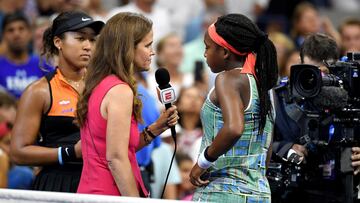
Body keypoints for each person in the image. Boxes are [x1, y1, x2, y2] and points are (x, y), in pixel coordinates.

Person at [76, 12, 179, 197]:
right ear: (127, 48)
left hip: (93, 191)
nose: (152, 52)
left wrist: (156, 128)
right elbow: (115, 158)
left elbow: (117, 148)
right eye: (147, 45)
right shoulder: (120, 91)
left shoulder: (100, 83)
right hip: (110, 194)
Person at [10, 10, 104, 192]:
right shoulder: (39, 91)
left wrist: (151, 132)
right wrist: (69, 152)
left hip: (98, 181)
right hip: (57, 184)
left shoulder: (102, 87)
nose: (87, 46)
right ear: (58, 42)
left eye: (92, 40)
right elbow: (18, 152)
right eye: (80, 38)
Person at [189, 13, 278, 202]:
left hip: (222, 192)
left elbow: (234, 127)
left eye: (208, 47)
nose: (205, 53)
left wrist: (202, 163)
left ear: (225, 52)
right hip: (260, 192)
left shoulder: (228, 79)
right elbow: (267, 148)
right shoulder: (264, 86)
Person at [271, 33, 358, 203]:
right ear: (299, 62)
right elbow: (257, 145)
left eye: (324, 73)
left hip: (339, 191)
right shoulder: (277, 98)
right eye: (311, 71)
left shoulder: (352, 98)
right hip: (290, 193)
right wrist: (285, 148)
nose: (317, 79)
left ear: (337, 65)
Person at [0, 11, 52, 99]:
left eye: (21, 29)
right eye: (10, 30)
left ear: (30, 34)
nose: (16, 34)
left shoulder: (44, 65)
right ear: (4, 35)